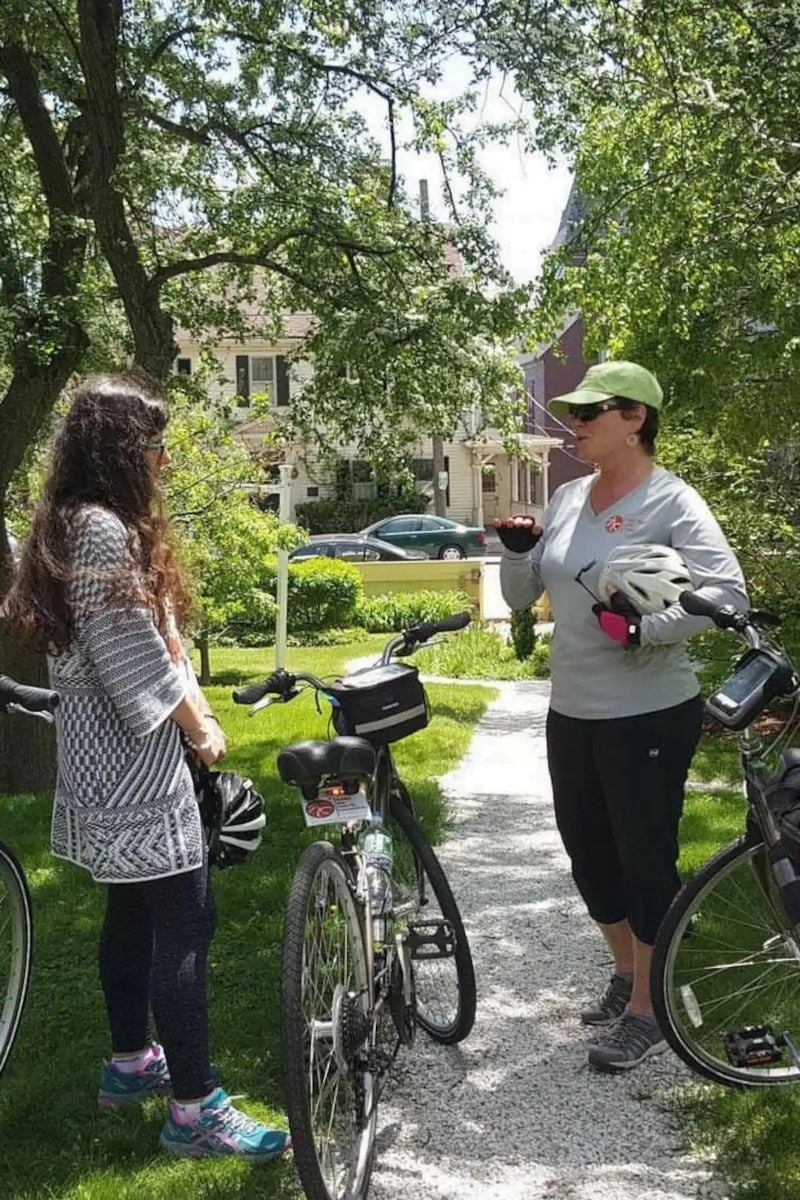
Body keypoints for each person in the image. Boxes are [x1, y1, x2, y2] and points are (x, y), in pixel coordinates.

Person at [4, 375, 290, 1159]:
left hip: (101, 757)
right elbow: (129, 651)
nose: (163, 459)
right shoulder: (101, 530)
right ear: (124, 450)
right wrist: (201, 726)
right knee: (185, 921)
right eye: (155, 444)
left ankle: (131, 1065)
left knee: (129, 914)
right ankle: (195, 1110)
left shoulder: (68, 521)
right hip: (136, 766)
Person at [498, 360, 747, 1073]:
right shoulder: (572, 497)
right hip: (571, 709)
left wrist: (646, 632)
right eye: (572, 413)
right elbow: (522, 597)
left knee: (644, 861)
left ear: (635, 418)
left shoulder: (672, 501)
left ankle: (650, 1005)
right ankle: (625, 971)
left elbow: (726, 591)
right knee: (588, 857)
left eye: (590, 412)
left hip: (647, 712)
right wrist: (515, 552)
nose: (574, 423)